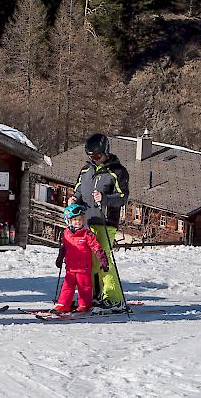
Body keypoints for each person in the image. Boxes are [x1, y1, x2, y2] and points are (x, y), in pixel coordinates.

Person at [68, 133, 130, 311]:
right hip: (86, 221)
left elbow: (122, 197)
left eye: (97, 156)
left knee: (103, 260)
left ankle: (114, 298)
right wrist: (74, 200)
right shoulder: (86, 171)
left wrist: (104, 198)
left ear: (106, 152)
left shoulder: (117, 171)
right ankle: (94, 295)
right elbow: (79, 191)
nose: (94, 159)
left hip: (105, 222)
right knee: (90, 261)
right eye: (90, 156)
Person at [53, 204, 109, 314]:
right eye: (74, 220)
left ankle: (84, 305)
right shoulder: (66, 234)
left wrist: (102, 260)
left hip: (84, 267)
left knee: (84, 287)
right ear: (68, 221)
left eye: (80, 219)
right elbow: (63, 247)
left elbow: (96, 247)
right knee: (67, 287)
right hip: (70, 267)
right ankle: (63, 305)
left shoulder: (87, 234)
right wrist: (60, 258)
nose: (78, 222)